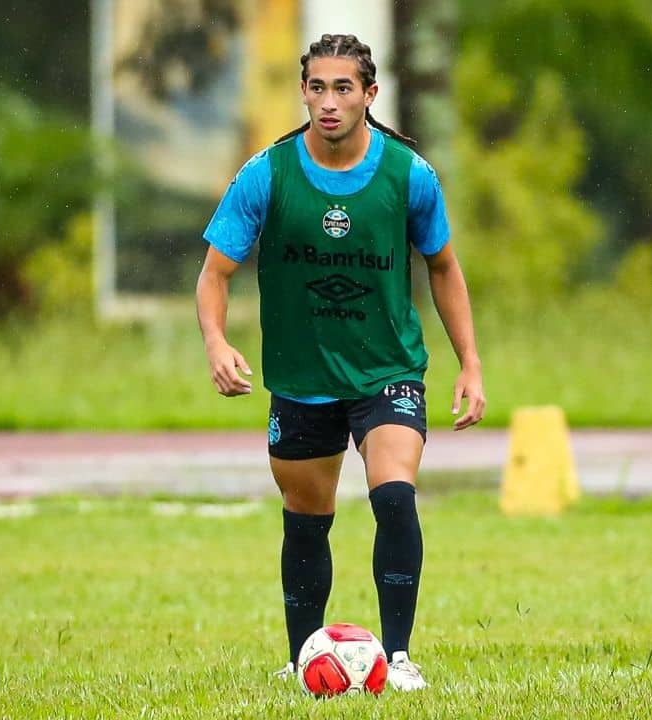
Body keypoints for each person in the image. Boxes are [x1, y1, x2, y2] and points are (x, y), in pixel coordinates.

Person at [195, 33, 485, 692]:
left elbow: (443, 267)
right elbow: (214, 273)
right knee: (307, 515)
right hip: (302, 378)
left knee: (393, 493)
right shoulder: (266, 175)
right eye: (318, 87)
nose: (329, 102)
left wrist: (470, 362)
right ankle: (304, 658)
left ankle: (401, 656)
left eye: (343, 88)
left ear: (370, 95)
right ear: (304, 92)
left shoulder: (409, 175)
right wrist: (216, 340)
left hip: (388, 369)